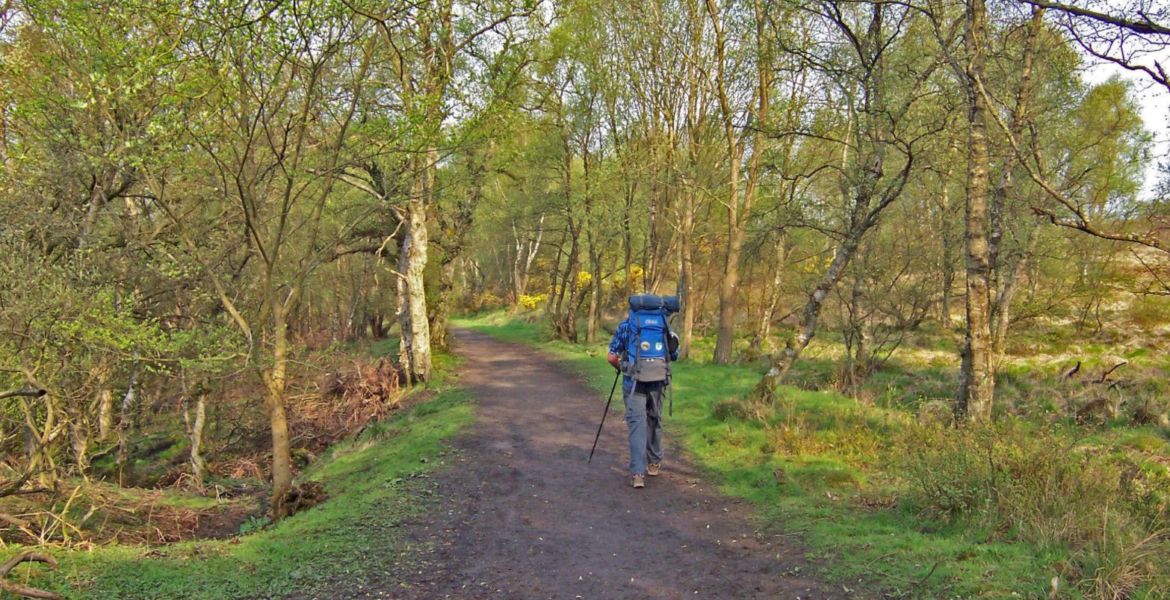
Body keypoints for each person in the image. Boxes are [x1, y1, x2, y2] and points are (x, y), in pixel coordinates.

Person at [607, 310, 679, 489]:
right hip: (658, 381)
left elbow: (611, 356)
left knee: (637, 424)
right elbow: (674, 354)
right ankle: (654, 462)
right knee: (654, 418)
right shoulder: (662, 325)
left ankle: (638, 474)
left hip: (633, 383)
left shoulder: (626, 326)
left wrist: (622, 368)